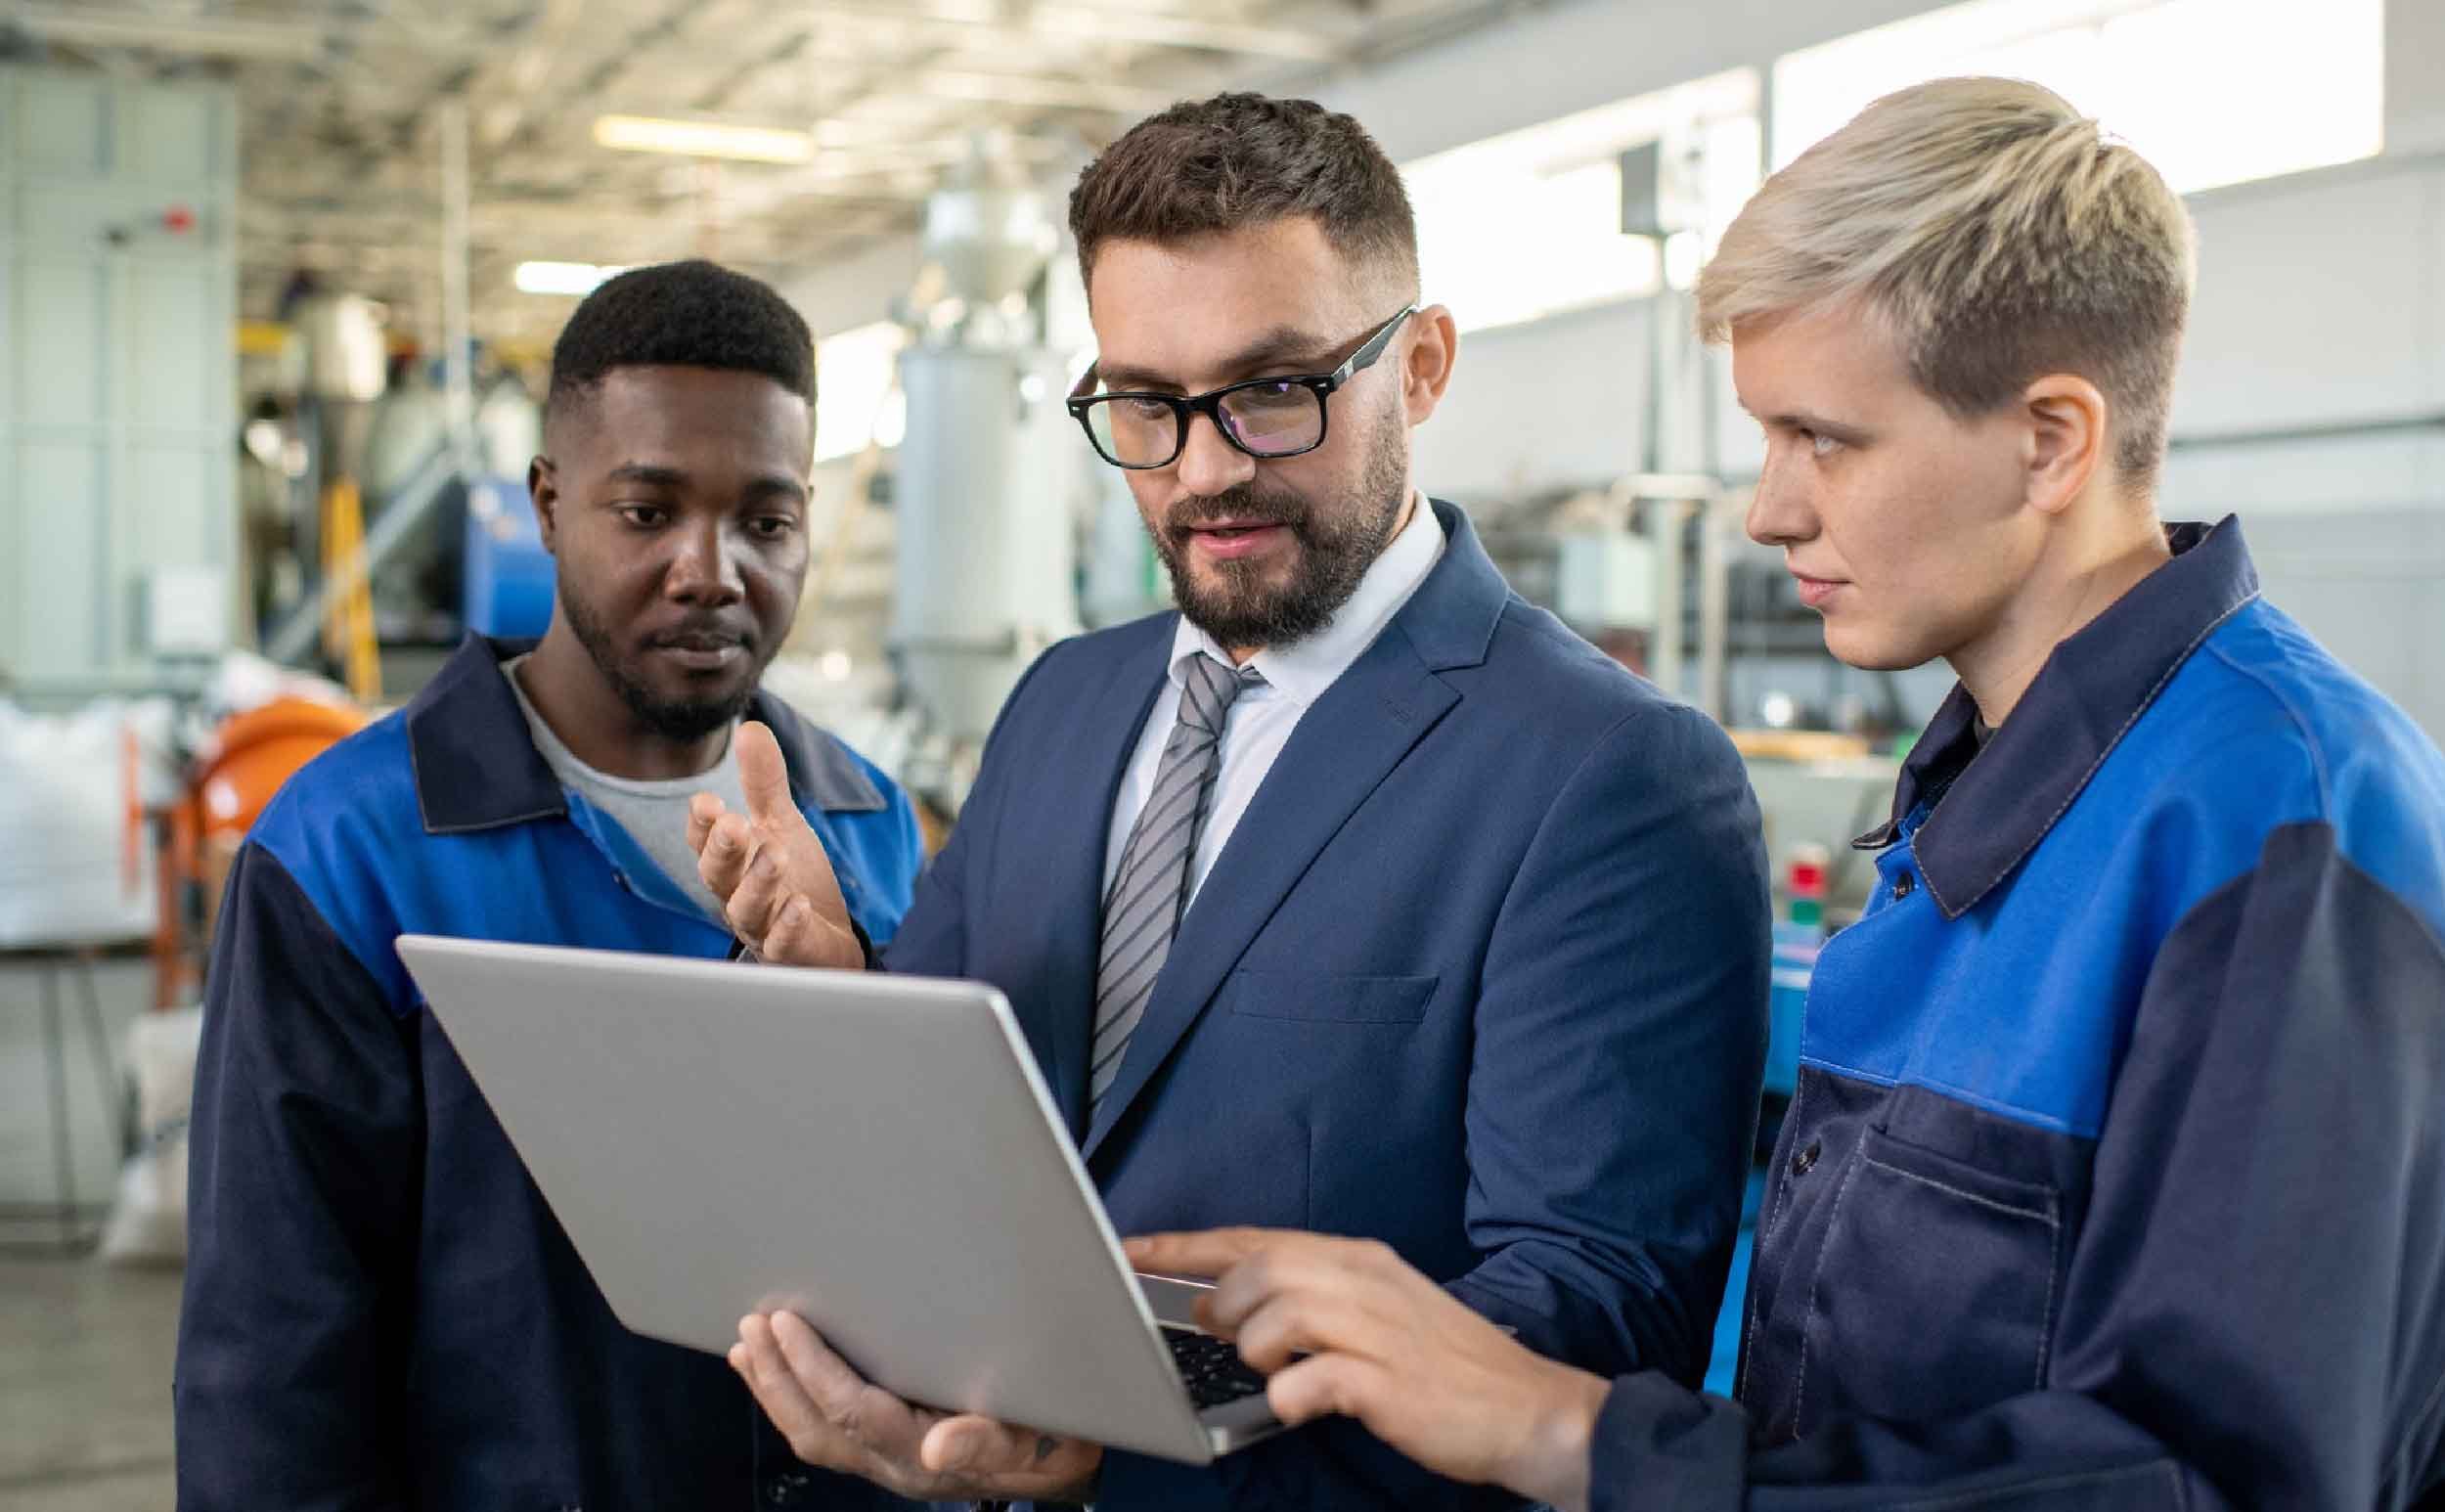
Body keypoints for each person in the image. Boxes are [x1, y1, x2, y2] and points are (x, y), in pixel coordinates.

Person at [1124, 76, 2445, 1511]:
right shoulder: (1978, 801)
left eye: (1826, 438)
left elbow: (2226, 1480)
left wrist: (1569, 1431)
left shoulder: (2286, 820)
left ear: (2052, 438)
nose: (1769, 509)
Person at [695, 92, 1772, 1511]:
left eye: (1274, 390)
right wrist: (845, 980)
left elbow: (1591, 1311)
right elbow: (973, 1113)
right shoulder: (1065, 702)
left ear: (1425, 365)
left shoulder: (1611, 774)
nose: (1204, 470)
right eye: (1144, 403)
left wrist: (1122, 1440)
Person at [175, 259, 928, 1509]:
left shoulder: (869, 823)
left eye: (767, 519)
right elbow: (272, 1352)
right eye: (646, 512)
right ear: (548, 502)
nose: (712, 569)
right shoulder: (353, 848)